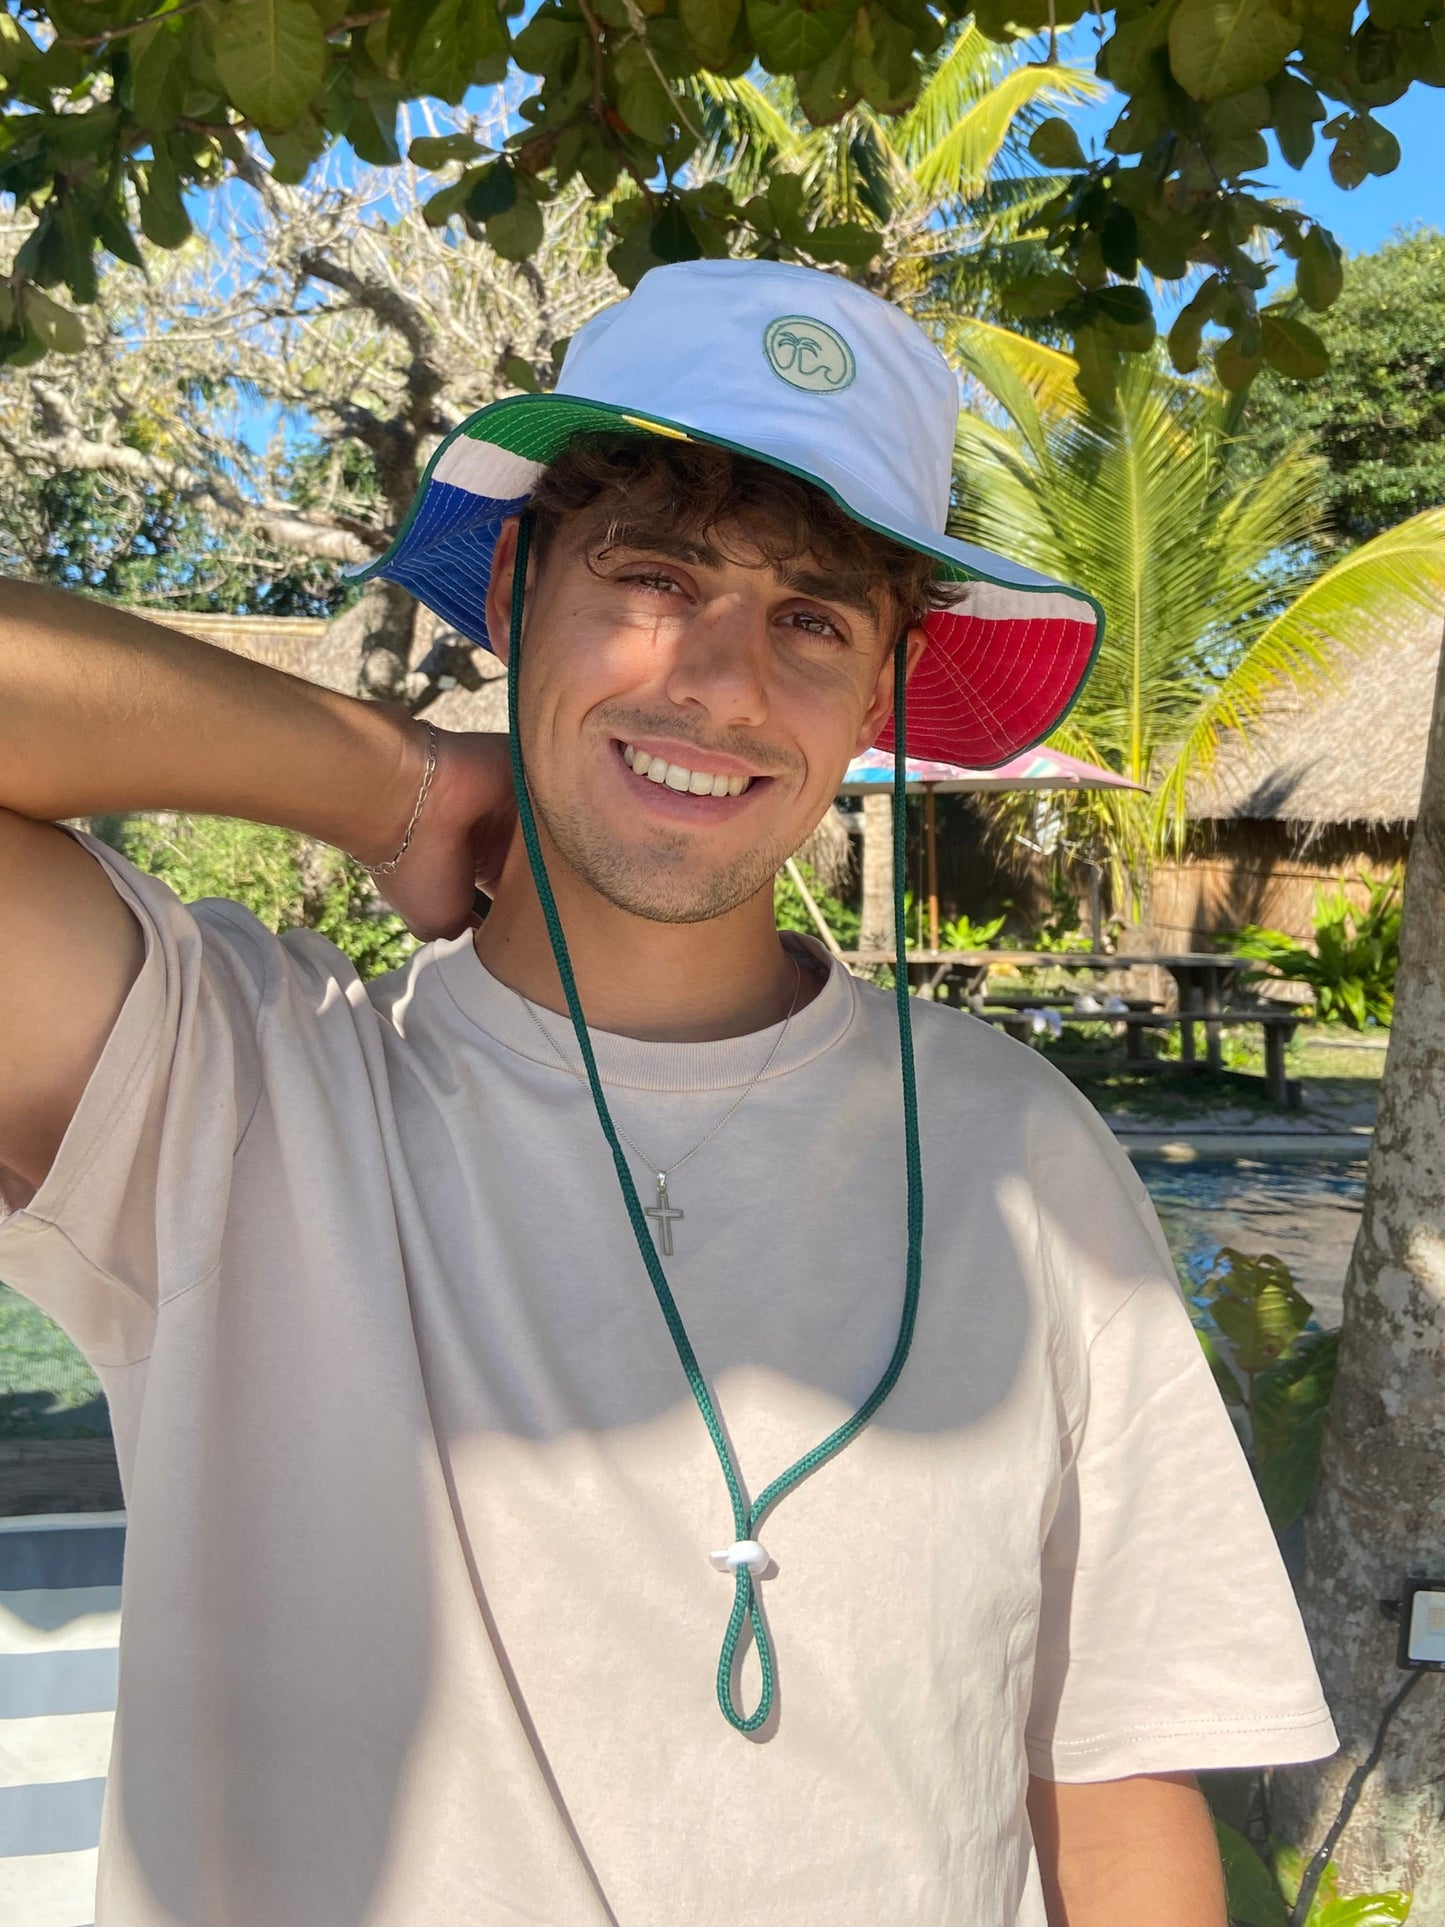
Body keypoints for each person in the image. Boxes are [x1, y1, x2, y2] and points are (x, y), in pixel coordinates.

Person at [0, 260, 1334, 1927]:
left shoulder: (1018, 1159)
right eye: (646, 580)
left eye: (810, 620)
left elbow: (1119, 1776)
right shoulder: (223, 1095)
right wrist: (389, 783)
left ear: (877, 697)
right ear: (514, 587)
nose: (713, 680)